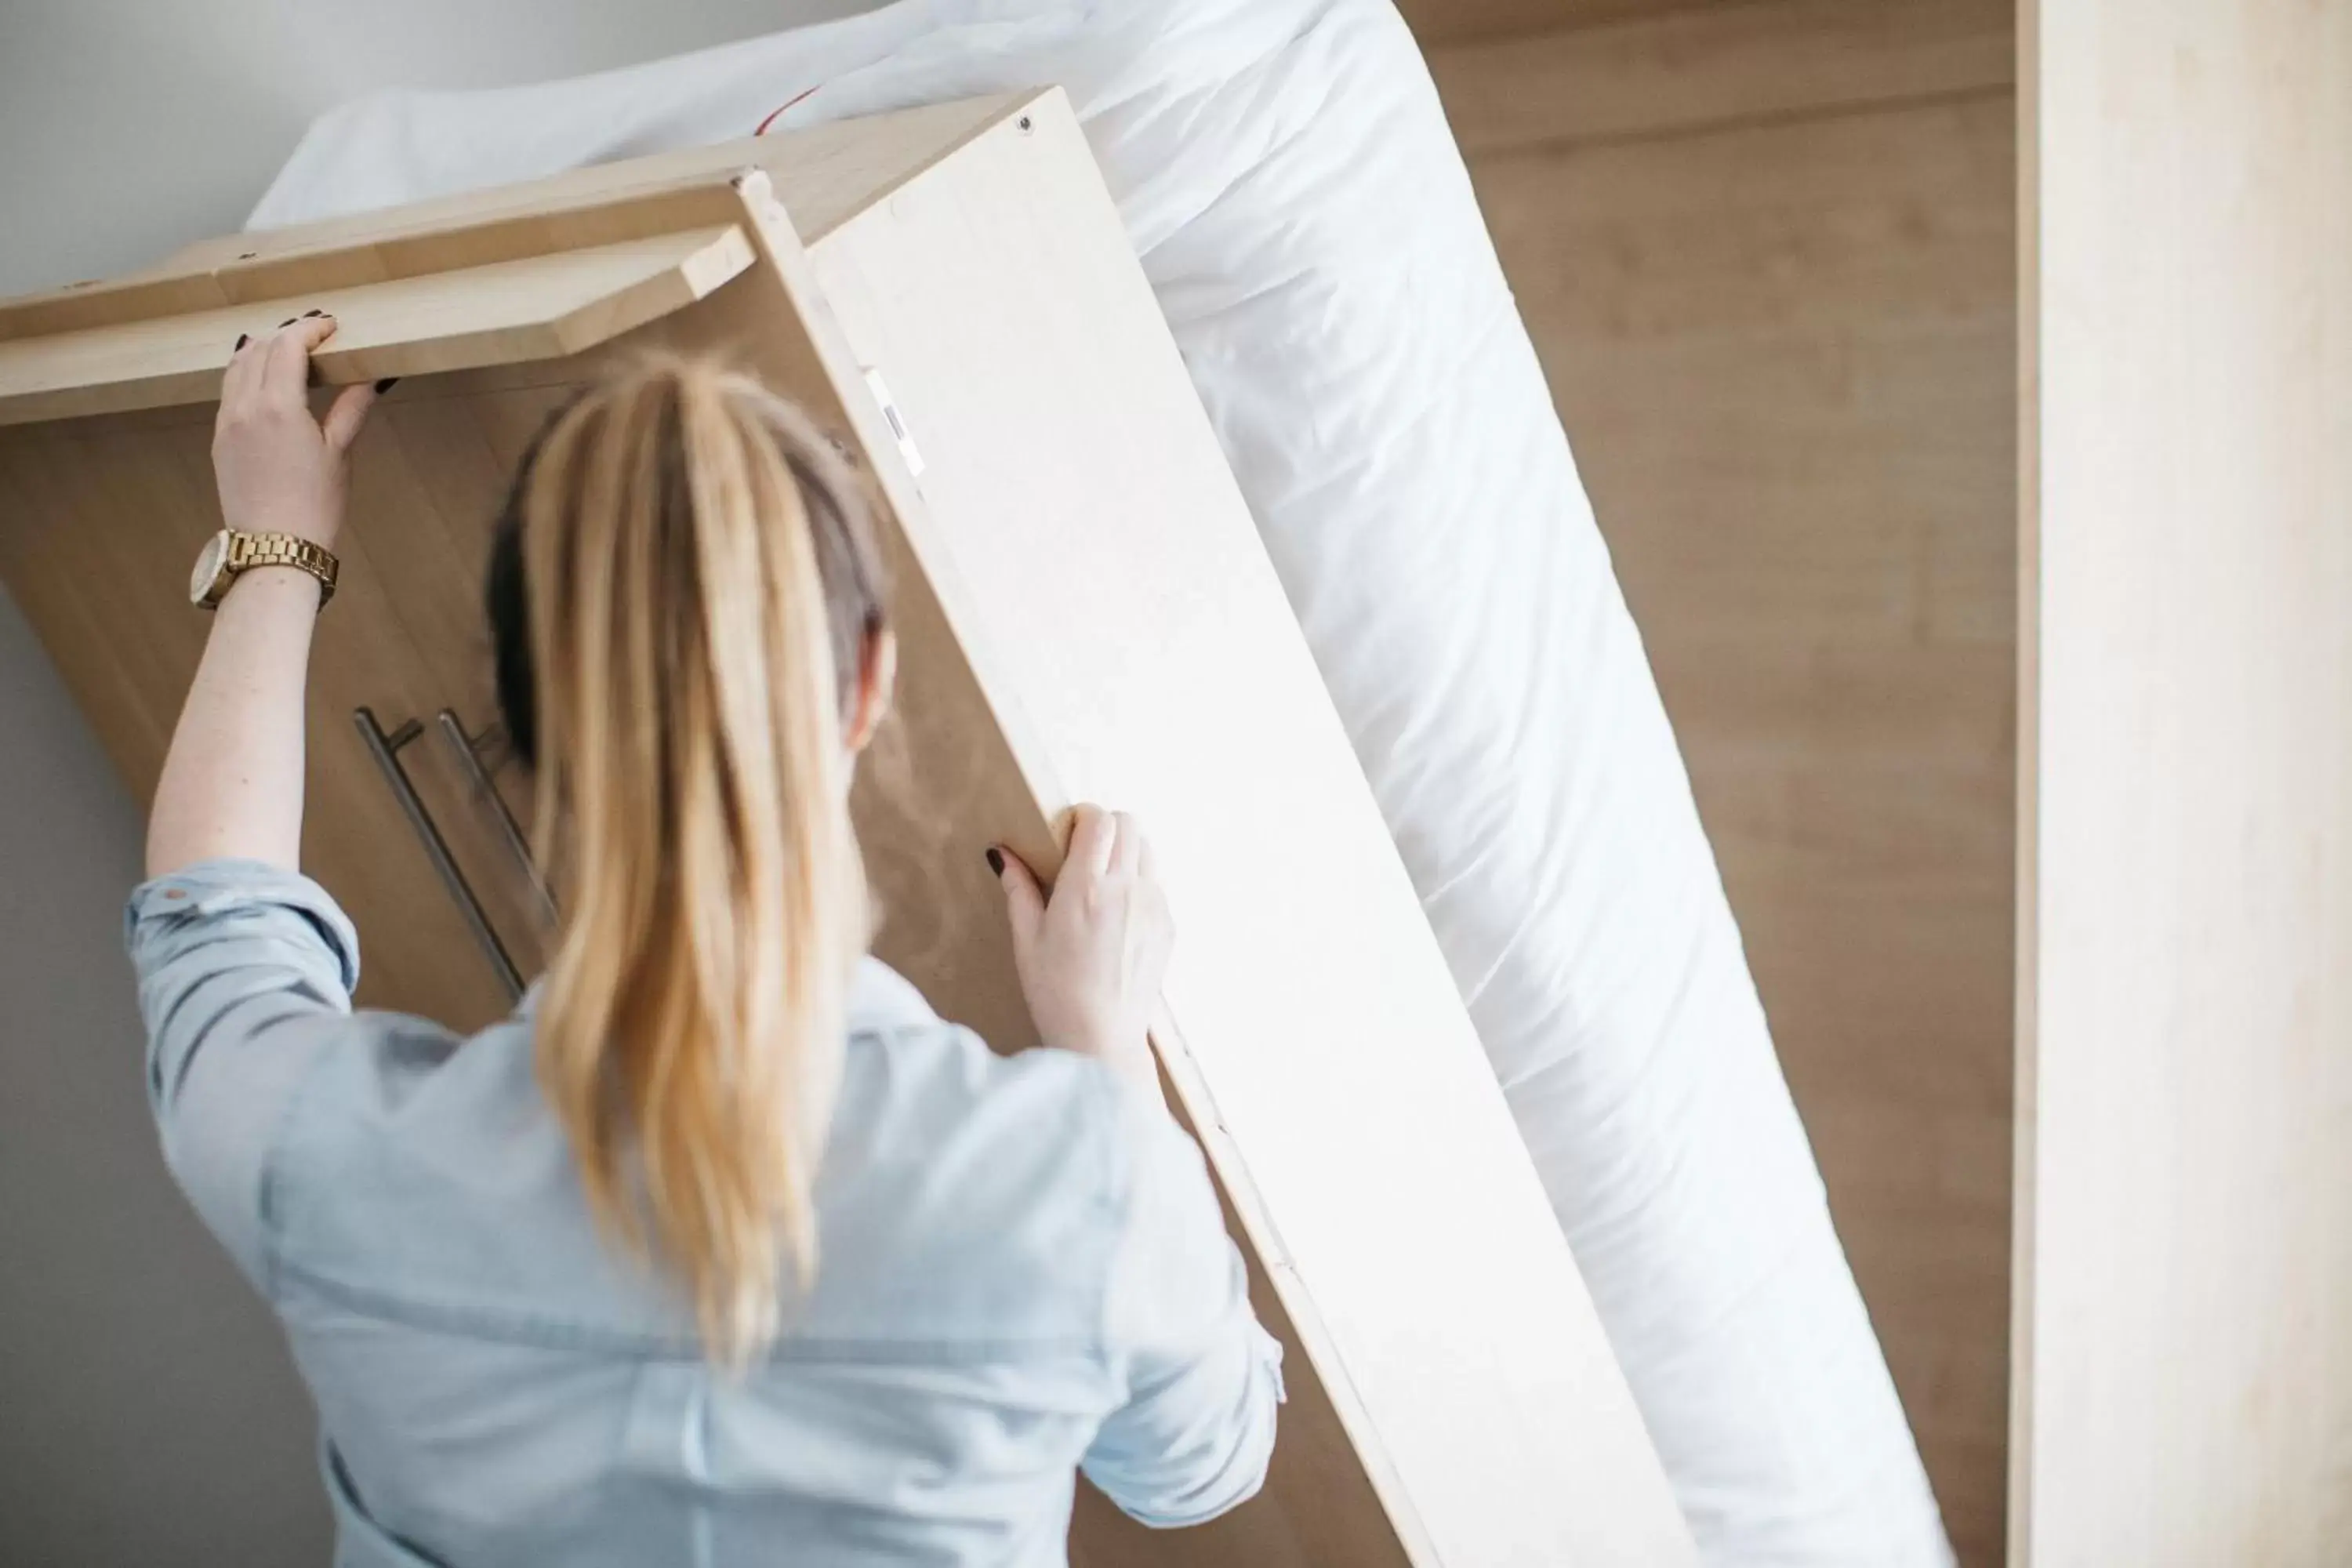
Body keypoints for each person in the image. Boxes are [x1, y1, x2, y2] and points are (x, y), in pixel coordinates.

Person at [129, 317, 1283, 1565]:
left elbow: (215, 930)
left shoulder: (330, 1156)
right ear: (866, 684)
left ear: (526, 716)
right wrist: (1107, 1055)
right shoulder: (1079, 1184)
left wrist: (279, 547)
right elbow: (1200, 1469)